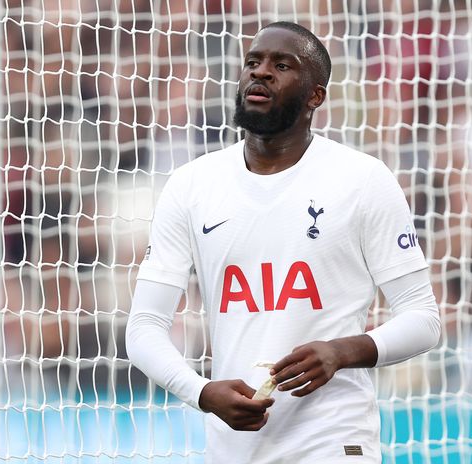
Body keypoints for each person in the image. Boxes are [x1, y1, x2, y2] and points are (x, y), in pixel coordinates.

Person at [126, 21, 441, 463]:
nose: (261, 72)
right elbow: (143, 328)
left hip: (334, 440)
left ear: (315, 96)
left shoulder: (362, 180)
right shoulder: (192, 185)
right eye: (253, 62)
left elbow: (424, 318)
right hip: (234, 446)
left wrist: (341, 351)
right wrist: (201, 392)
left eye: (281, 65)